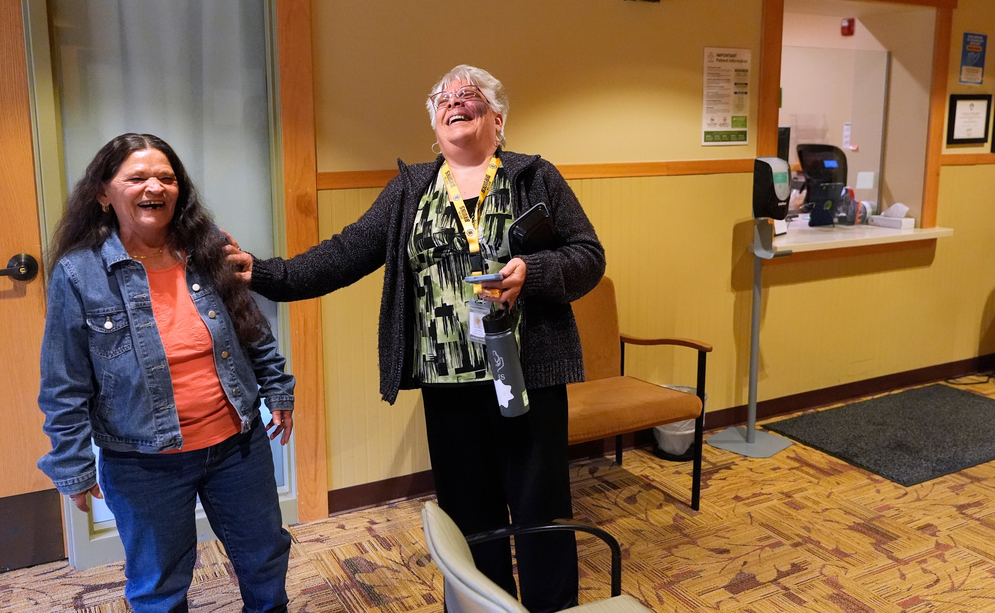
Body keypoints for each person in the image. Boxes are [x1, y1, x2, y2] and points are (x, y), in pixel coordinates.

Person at [226, 65, 605, 612]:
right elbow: (345, 251)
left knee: (540, 510)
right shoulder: (411, 190)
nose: (455, 102)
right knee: (469, 515)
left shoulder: (535, 177)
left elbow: (588, 257)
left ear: (498, 117)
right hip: (448, 384)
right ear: (433, 120)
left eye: (469, 95)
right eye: (443, 97)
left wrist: (534, 272)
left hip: (528, 376)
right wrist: (263, 273)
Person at [37, 133, 294, 613]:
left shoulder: (208, 247)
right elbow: (63, 382)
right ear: (103, 194)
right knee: (159, 583)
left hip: (237, 443)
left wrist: (277, 385)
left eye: (166, 177)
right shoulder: (79, 273)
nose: (154, 186)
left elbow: (248, 325)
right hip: (142, 461)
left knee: (264, 558)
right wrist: (70, 465)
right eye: (136, 177)